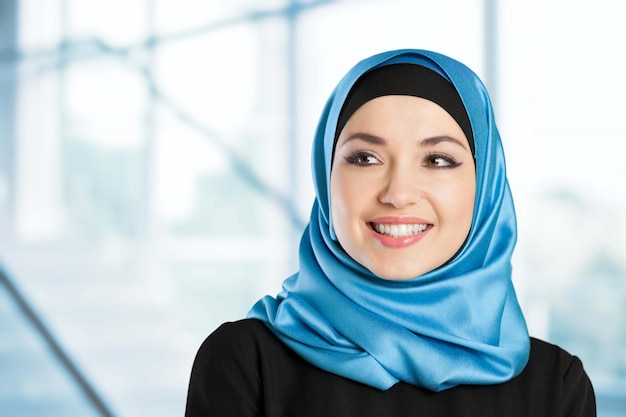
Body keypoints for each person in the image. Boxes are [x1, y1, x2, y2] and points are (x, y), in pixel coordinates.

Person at [184, 49, 596, 416]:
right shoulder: (245, 364)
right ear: (326, 180)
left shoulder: (555, 387)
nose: (398, 194)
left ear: (484, 185)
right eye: (365, 157)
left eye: (437, 160)